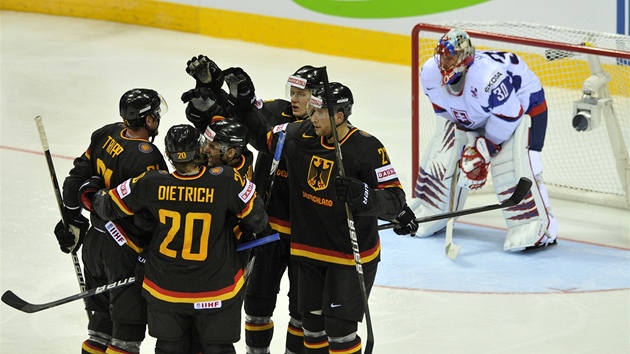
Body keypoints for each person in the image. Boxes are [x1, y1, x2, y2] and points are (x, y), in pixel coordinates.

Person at [233, 78, 407, 353]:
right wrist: (242, 103)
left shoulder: (367, 148)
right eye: (311, 110)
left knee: (340, 334)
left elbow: (396, 199)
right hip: (310, 254)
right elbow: (263, 138)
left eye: (318, 112)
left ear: (338, 116)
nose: (311, 117)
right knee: (312, 330)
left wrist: (365, 196)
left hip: (348, 257)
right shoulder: (299, 134)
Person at [89, 124, 271, 354]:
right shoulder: (227, 180)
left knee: (169, 348)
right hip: (216, 290)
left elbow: (106, 206)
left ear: (168, 155)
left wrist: (96, 191)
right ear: (200, 149)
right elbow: (258, 221)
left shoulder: (151, 182)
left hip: (165, 290)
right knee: (218, 348)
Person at [413, 28, 557, 251]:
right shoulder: (430, 72)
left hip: (523, 107)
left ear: (465, 57)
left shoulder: (488, 77)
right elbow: (444, 113)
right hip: (480, 113)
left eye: (451, 56)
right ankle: (433, 208)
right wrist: (466, 144)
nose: (445, 61)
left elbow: (510, 116)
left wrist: (485, 149)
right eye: (443, 55)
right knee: (446, 149)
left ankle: (540, 226)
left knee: (515, 162)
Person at [53, 88, 170, 353]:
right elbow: (150, 218)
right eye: (155, 114)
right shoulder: (147, 156)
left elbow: (75, 181)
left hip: (95, 244)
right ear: (149, 120)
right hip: (125, 252)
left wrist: (72, 219)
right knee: (125, 336)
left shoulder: (106, 133)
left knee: (99, 329)